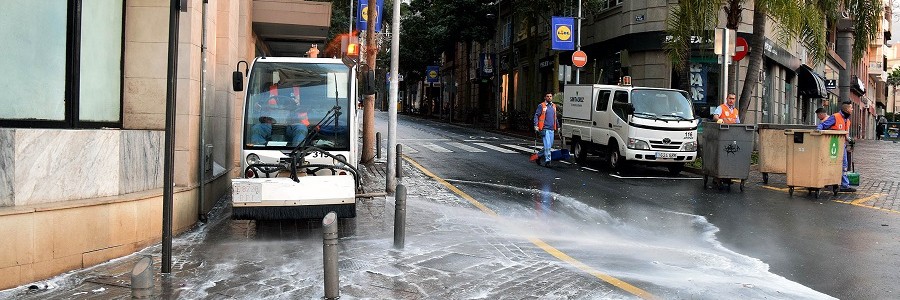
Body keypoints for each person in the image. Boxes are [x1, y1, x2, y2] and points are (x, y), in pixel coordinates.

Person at [817, 100, 855, 192]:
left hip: (842, 146)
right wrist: (817, 132)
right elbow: (822, 126)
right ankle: (835, 182)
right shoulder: (835, 117)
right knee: (833, 164)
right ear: (846, 109)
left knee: (844, 165)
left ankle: (843, 184)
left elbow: (845, 135)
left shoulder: (847, 120)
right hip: (833, 146)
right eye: (851, 107)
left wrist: (850, 140)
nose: (852, 109)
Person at [533, 93, 558, 167]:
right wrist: (536, 125)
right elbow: (536, 115)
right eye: (548, 96)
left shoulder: (554, 106)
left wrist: (558, 126)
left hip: (551, 129)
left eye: (550, 96)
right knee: (547, 146)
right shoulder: (541, 106)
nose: (549, 98)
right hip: (544, 129)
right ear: (545, 97)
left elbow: (555, 117)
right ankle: (548, 161)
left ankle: (538, 156)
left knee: (549, 146)